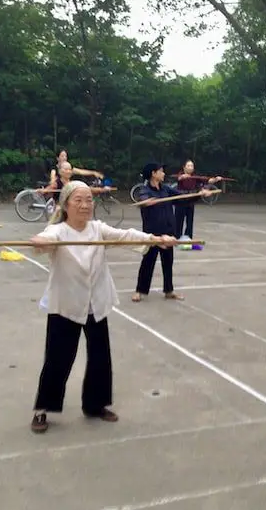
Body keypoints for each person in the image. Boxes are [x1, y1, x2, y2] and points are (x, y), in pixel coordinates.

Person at [28, 181, 176, 433]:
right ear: (65, 205)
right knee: (58, 359)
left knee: (100, 357)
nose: (85, 205)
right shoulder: (58, 231)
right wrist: (39, 242)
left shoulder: (97, 229)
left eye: (89, 200)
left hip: (96, 301)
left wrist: (156, 239)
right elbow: (45, 240)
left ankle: (95, 405)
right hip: (66, 303)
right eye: (79, 200)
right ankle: (42, 409)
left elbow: (125, 235)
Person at [132, 162, 212, 302]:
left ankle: (169, 290)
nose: (164, 174)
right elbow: (142, 199)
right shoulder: (145, 191)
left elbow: (183, 198)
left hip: (168, 232)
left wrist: (199, 194)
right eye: (161, 171)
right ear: (153, 173)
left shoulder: (166, 190)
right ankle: (140, 290)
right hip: (152, 234)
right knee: (148, 262)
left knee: (168, 262)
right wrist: (147, 201)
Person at [174, 159, 222, 240]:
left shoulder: (195, 177)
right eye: (188, 166)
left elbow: (208, 180)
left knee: (190, 221)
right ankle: (176, 238)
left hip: (190, 201)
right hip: (180, 201)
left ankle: (188, 238)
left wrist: (216, 179)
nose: (190, 167)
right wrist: (182, 177)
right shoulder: (181, 174)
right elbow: (179, 178)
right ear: (184, 167)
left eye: (192, 166)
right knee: (178, 221)